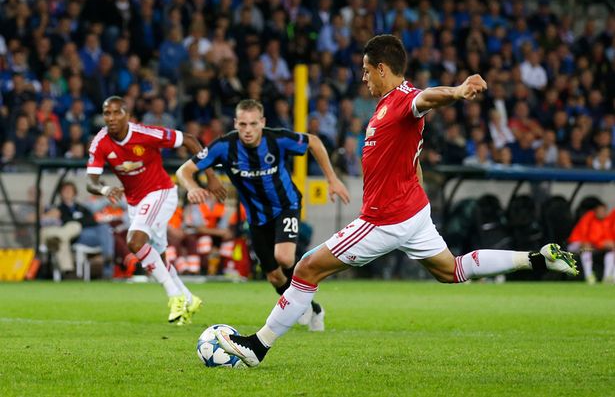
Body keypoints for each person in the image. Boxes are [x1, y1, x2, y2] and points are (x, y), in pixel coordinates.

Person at [213, 34, 579, 367]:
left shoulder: (403, 100)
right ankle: (537, 258)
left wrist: (457, 90)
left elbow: (427, 97)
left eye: (366, 70)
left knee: (307, 268)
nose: (363, 78)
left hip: (384, 219)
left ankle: (256, 348)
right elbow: (412, 158)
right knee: (451, 270)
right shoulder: (387, 105)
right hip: (414, 213)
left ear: (382, 68)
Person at [176, 99, 350, 331]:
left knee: (285, 258)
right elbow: (184, 170)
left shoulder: (276, 139)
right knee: (274, 278)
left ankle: (302, 300)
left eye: (253, 124)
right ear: (236, 123)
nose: (248, 130)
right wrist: (193, 187)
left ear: (262, 123)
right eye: (243, 124)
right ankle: (312, 307)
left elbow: (314, 142)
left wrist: (332, 178)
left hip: (286, 205)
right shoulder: (224, 146)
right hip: (256, 217)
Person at [86, 96, 217, 325]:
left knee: (135, 241)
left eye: (117, 112)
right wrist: (105, 189)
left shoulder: (146, 133)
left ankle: (174, 296)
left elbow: (190, 140)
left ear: (128, 115)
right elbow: (90, 182)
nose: (112, 118)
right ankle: (189, 298)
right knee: (159, 255)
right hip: (135, 203)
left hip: (161, 192)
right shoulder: (101, 142)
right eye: (107, 113)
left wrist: (211, 176)